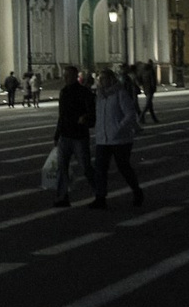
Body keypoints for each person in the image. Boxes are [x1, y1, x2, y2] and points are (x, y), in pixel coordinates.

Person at [91, 66, 146, 208]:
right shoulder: (100, 96)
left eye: (104, 79)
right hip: (103, 139)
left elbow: (130, 114)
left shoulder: (120, 93)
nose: (102, 82)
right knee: (100, 169)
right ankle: (100, 198)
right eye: (100, 79)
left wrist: (117, 128)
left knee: (123, 167)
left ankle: (136, 191)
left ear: (111, 79)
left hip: (120, 139)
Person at [51, 64, 98, 207]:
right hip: (65, 135)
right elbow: (62, 115)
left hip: (79, 136)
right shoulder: (64, 92)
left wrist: (86, 119)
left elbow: (92, 113)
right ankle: (63, 196)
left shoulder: (84, 92)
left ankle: (99, 193)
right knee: (62, 167)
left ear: (75, 76)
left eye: (67, 75)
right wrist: (57, 133)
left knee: (86, 167)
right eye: (64, 75)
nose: (65, 78)